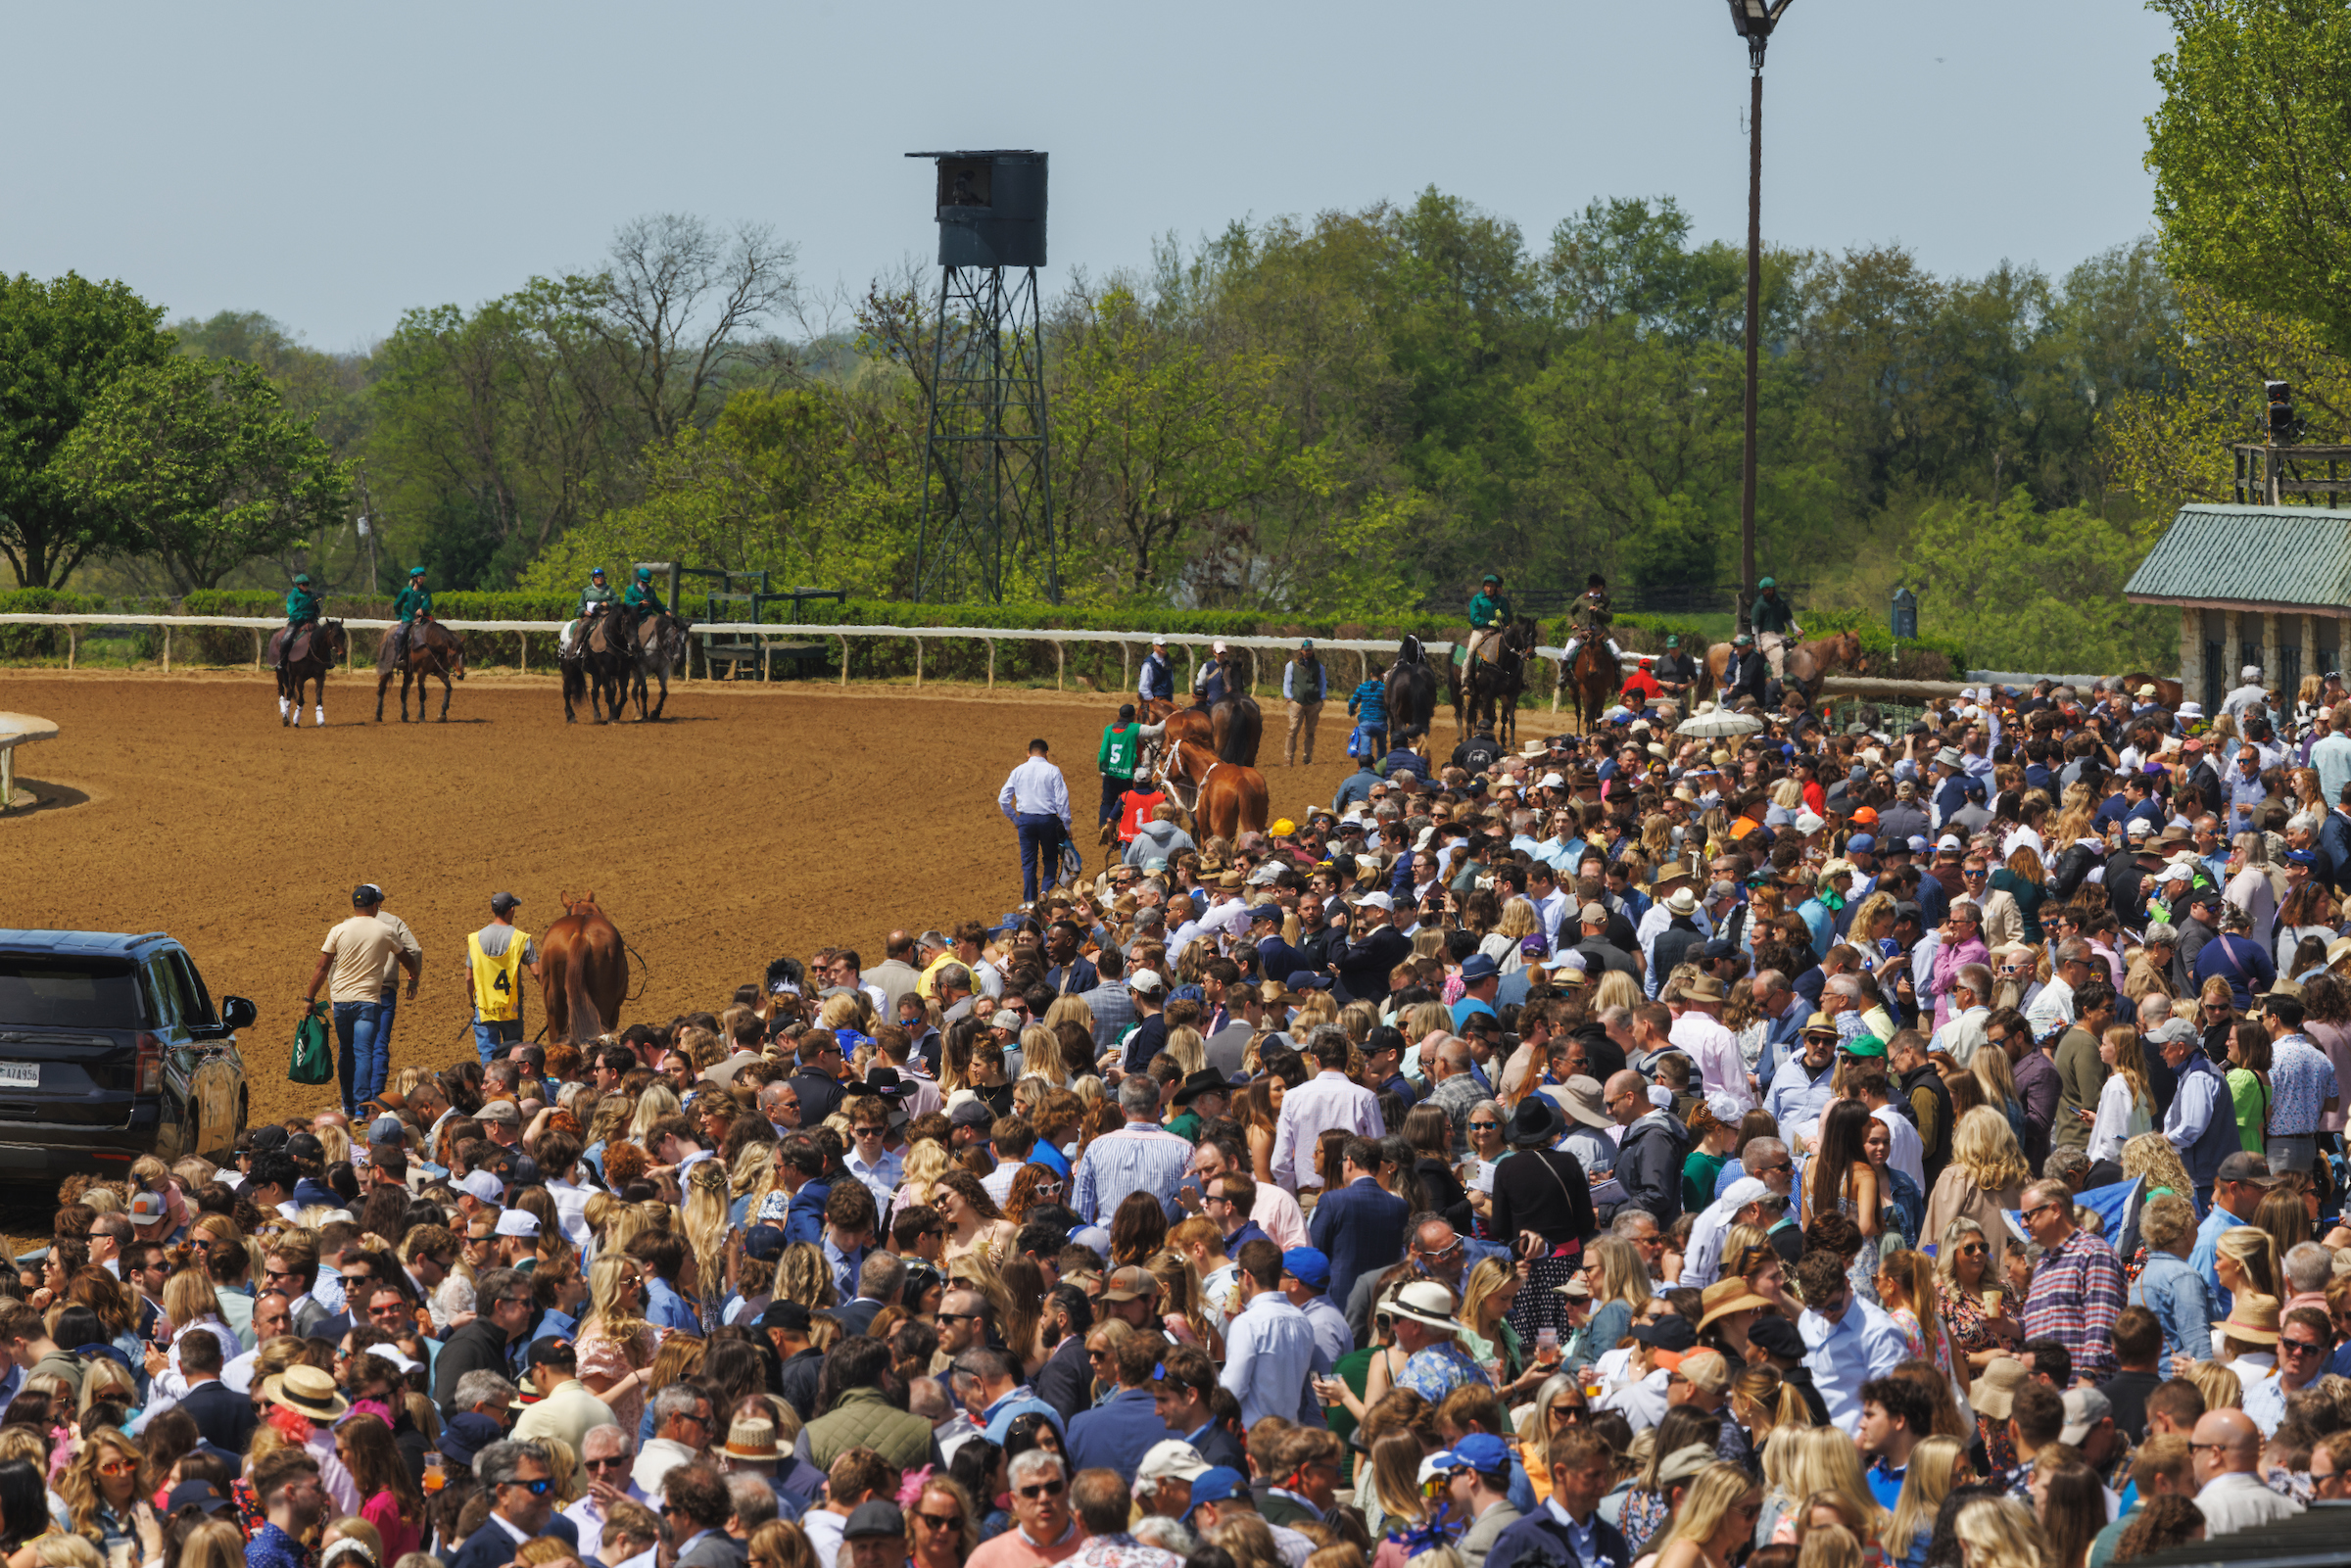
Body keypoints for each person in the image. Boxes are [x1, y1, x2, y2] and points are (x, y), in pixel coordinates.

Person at [304, 883, 417, 1118]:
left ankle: (347, 1105)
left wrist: (310, 998)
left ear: (355, 905)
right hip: (368, 1001)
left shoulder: (339, 930)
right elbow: (407, 956)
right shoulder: (385, 930)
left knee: (346, 1052)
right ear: (374, 905)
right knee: (365, 1052)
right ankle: (361, 1109)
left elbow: (322, 967)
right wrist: (413, 974)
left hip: (342, 1001)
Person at [2188, 1407, 2304, 1536]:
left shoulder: (2196, 1516)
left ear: (2215, 1454)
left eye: (2193, 1448)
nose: (2191, 1455)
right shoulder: (2294, 1511)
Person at [998, 738, 1075, 905]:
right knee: (1050, 858)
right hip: (1048, 820)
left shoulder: (1018, 770)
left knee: (1028, 863)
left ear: (1028, 753)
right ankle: (1045, 890)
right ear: (1046, 753)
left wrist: (1015, 819)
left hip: (1026, 820)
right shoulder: (1053, 770)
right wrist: (1066, 824)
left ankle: (1029, 901)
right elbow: (1062, 800)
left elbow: (1003, 799)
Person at [467, 892, 538, 1067]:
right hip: (511, 1007)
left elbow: (469, 978)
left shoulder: (476, 939)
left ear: (492, 910)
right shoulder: (520, 938)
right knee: (513, 1057)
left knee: (488, 1059)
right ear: (511, 910)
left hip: (485, 1007)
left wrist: (472, 1000)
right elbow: (537, 972)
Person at [1559, 573, 1624, 668]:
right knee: (1567, 652)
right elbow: (1570, 612)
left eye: (1595, 586)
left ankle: (1618, 677)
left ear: (1601, 587)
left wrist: (1598, 611)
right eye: (1591, 586)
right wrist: (1572, 624)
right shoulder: (1582, 598)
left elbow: (1609, 617)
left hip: (1600, 632)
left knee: (1616, 652)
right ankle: (1563, 675)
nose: (1592, 588)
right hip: (1581, 631)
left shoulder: (1605, 601)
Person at [1097, 706, 1142, 830]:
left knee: (1107, 802)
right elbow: (1156, 730)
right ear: (1133, 717)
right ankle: (1126, 827)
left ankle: (1104, 825)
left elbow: (1103, 752)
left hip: (1110, 773)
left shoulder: (1108, 729)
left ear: (1119, 715)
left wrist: (1103, 768)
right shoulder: (1135, 728)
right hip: (1127, 774)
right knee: (1128, 802)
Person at [1283, 641, 1326, 766]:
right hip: (1297, 702)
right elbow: (1287, 682)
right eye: (1306, 650)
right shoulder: (1292, 665)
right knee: (1292, 730)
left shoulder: (1318, 666)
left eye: (1310, 650)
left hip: (1313, 703)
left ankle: (1307, 758)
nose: (1308, 652)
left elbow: (1322, 682)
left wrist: (1322, 697)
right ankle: (1288, 758)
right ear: (1301, 651)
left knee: (1310, 731)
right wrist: (1289, 697)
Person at [1751, 577, 1802, 681]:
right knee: (1779, 655)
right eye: (1765, 590)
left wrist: (1797, 630)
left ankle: (1796, 681)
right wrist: (1758, 645)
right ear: (1762, 591)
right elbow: (1755, 628)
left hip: (1781, 635)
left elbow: (1789, 620)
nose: (1767, 592)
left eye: (1770, 589)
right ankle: (1778, 683)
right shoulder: (1759, 605)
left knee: (1798, 653)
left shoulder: (1781, 603)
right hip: (1766, 636)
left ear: (1774, 589)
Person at [562, 566, 616, 658]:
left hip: (607, 616)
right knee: (582, 627)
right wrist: (584, 612)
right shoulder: (587, 591)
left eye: (601, 576)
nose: (600, 578)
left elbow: (617, 600)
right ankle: (575, 651)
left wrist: (608, 604)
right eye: (597, 576)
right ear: (593, 578)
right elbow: (579, 607)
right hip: (592, 617)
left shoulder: (609, 590)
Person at [1465, 573, 1515, 668]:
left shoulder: (1502, 601)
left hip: (1498, 631)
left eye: (1492, 586)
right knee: (1471, 650)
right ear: (1484, 587)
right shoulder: (1477, 599)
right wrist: (1488, 622)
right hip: (1481, 630)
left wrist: (1502, 617)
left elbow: (1507, 619)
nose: (1489, 589)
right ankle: (1466, 675)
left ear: (1496, 587)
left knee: (1512, 647)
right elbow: (1473, 618)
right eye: (1487, 586)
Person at [278, 571, 320, 676]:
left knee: (326, 636)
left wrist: (316, 609)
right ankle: (282, 661)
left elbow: (317, 610)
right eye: (303, 584)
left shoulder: (311, 596)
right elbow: (292, 610)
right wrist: (304, 617)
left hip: (311, 622)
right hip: (296, 622)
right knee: (286, 639)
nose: (305, 586)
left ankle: (327, 661)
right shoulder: (293, 596)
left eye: (307, 584)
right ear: (298, 585)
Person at [388, 564, 432, 664]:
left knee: (434, 632)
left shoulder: (426, 592)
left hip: (423, 619)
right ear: (415, 578)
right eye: (420, 577)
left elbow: (428, 603)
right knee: (401, 634)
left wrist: (422, 609)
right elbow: (396, 605)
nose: (422, 579)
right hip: (408, 619)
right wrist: (400, 617)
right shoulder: (406, 591)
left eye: (423, 577)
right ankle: (398, 657)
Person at [1348, 663, 1389, 763]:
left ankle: (1366, 767)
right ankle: (1380, 768)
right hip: (1380, 722)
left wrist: (1351, 711)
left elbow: (1352, 702)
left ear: (1371, 674)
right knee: (1382, 749)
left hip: (1365, 722)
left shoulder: (1363, 687)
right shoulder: (1384, 689)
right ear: (1382, 675)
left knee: (1365, 748)